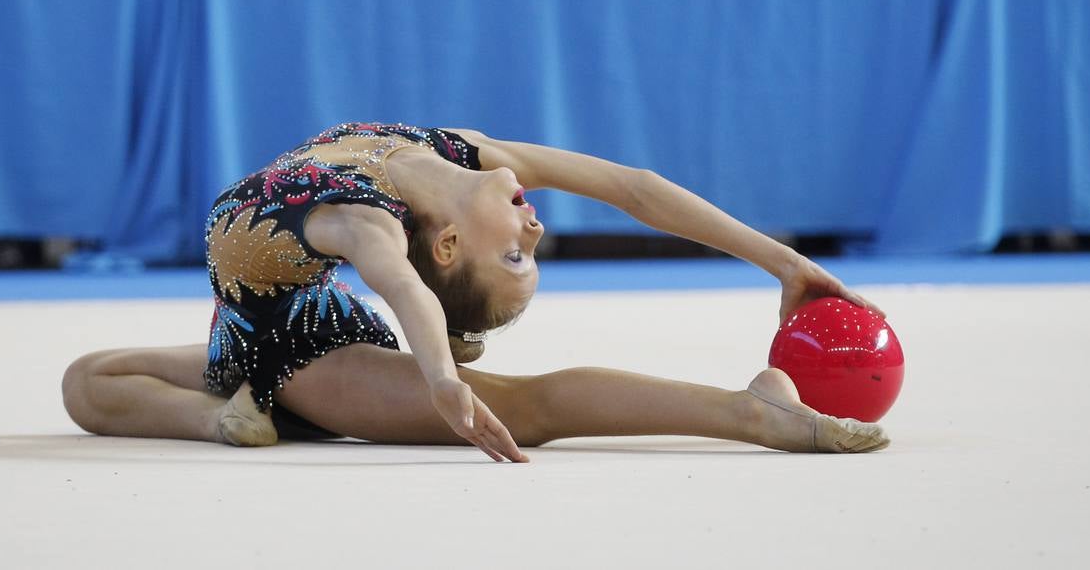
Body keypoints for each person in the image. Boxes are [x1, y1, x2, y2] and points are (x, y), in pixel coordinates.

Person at [62, 122, 890, 461]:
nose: (535, 233)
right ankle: (224, 417)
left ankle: (752, 413)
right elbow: (629, 186)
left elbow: (404, 290)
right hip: (259, 331)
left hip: (306, 345)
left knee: (526, 405)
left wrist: (443, 383)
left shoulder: (374, 225)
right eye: (526, 256)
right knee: (86, 381)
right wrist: (781, 260)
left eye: (518, 257)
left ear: (449, 244)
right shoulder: (443, 154)